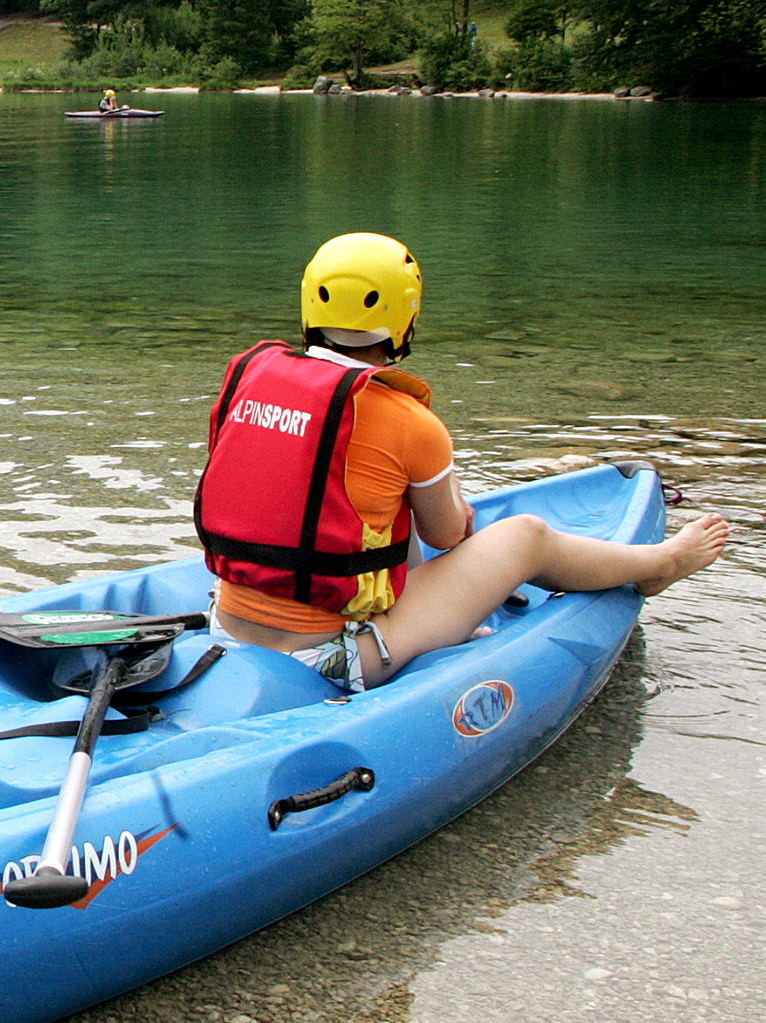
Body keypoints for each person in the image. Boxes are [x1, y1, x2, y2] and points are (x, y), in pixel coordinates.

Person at [195, 232, 725, 689]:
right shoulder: (409, 420)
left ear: (311, 304)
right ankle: (661, 565)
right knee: (527, 537)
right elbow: (448, 535)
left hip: (228, 626)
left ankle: (439, 622)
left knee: (377, 516)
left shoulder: (247, 380)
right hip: (329, 660)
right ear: (406, 316)